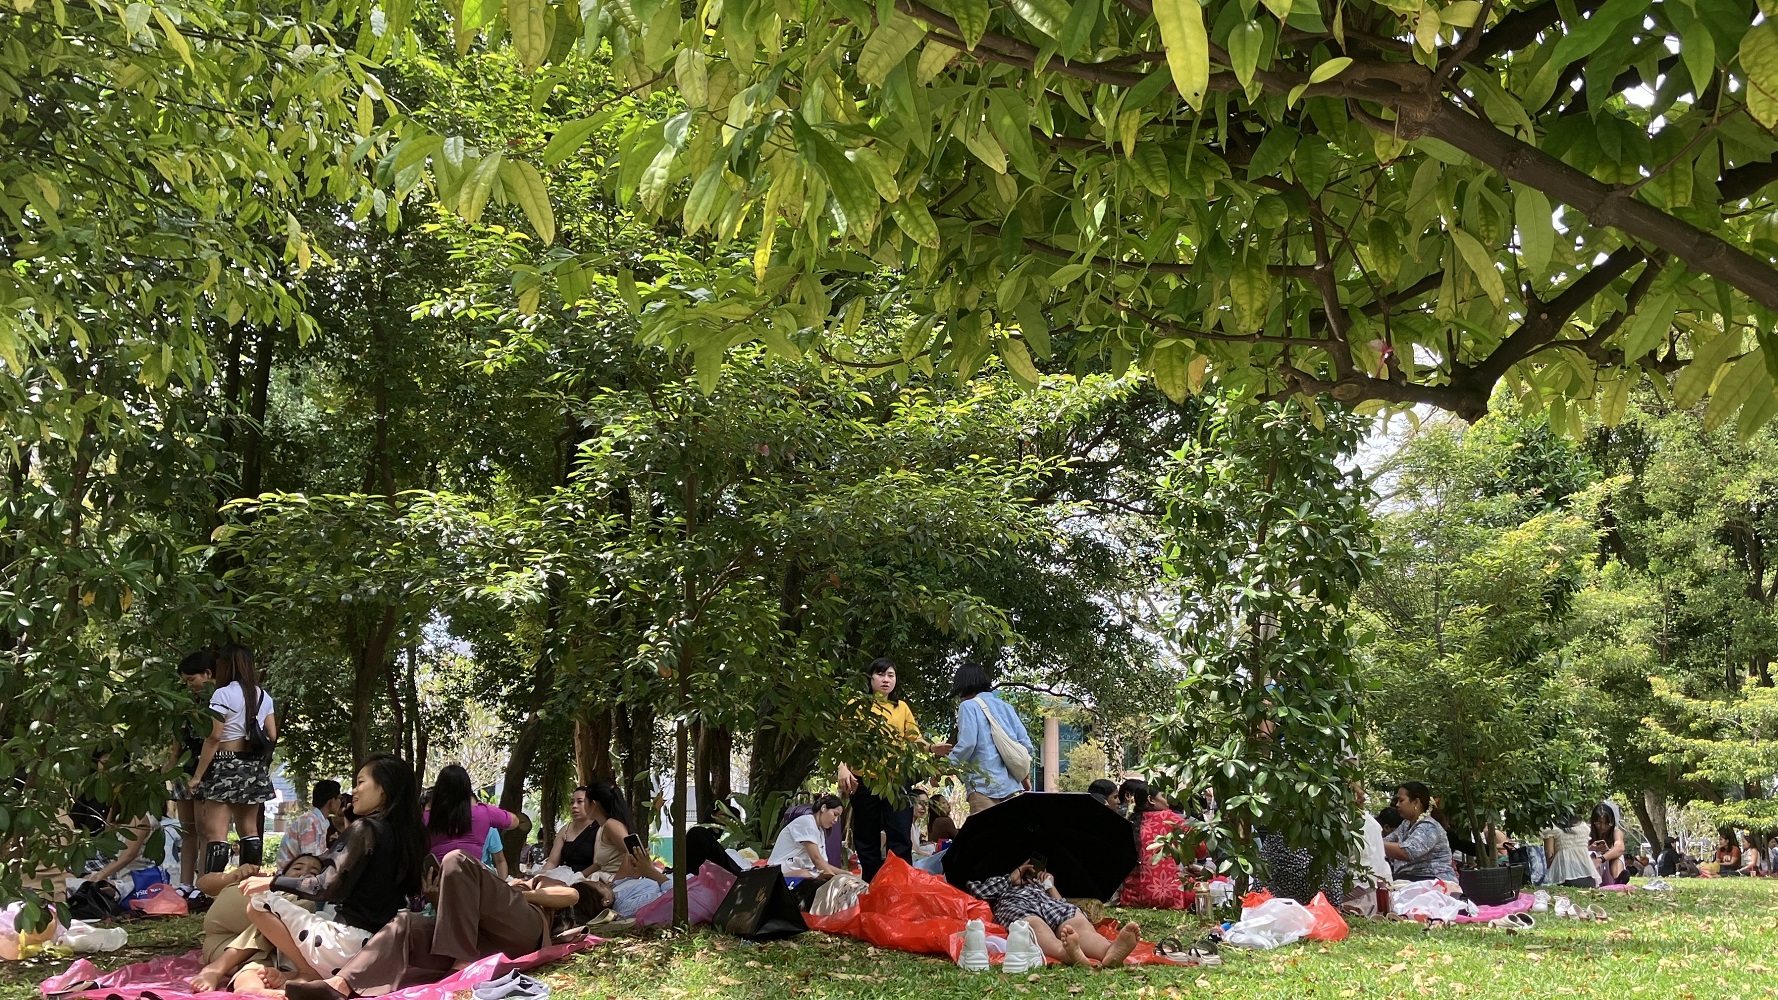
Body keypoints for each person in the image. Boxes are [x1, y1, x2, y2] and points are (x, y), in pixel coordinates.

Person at [285, 853, 611, 1000]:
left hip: (526, 931)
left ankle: (461, 968)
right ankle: (339, 986)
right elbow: (461, 921)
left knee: (456, 859)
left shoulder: (535, 880)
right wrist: (436, 897)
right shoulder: (489, 887)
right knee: (405, 923)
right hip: (481, 939)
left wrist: (516, 891)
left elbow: (569, 896)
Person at [239, 752, 426, 982]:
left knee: (259, 903)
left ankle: (307, 972)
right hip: (383, 949)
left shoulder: (365, 828)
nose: (354, 791)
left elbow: (325, 886)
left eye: (360, 782)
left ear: (383, 789)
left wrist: (272, 882)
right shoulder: (408, 838)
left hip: (347, 946)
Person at [836, 658, 947, 881]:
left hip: (896, 782)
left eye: (891, 675)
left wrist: (932, 748)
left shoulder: (901, 708)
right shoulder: (857, 704)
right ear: (870, 678)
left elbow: (915, 739)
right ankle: (871, 883)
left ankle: (899, 884)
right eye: (880, 674)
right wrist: (842, 767)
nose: (886, 680)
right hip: (864, 780)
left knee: (899, 835)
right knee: (866, 837)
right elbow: (843, 739)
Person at [189, 644, 277, 872]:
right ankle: (249, 884)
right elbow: (272, 735)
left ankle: (215, 886)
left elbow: (214, 737)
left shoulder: (222, 694)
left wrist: (197, 776)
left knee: (216, 833)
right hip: (253, 766)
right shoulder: (262, 696)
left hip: (225, 765)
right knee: (249, 830)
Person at [967, 859, 1141, 967]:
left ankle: (1108, 951)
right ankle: (1064, 952)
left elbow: (1060, 903)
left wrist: (1050, 886)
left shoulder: (1037, 884)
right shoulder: (998, 881)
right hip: (1017, 905)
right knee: (1034, 925)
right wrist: (1011, 878)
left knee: (1075, 919)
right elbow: (978, 892)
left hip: (1047, 903)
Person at [190, 855, 326, 993]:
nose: (304, 873)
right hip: (223, 928)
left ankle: (251, 989)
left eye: (313, 873)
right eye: (297, 868)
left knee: (258, 970)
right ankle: (216, 969)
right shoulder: (260, 882)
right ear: (282, 874)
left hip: (232, 949)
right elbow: (202, 884)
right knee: (295, 907)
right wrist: (234, 875)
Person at [946, 661, 1034, 817]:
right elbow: (1026, 745)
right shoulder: (1006, 707)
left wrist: (944, 765)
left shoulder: (968, 706)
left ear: (964, 686)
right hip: (1012, 787)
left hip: (982, 787)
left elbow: (968, 743)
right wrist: (1024, 776)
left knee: (987, 832)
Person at [172, 650, 215, 887]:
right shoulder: (185, 704)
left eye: (192, 679)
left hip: (207, 770)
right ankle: (185, 885)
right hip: (185, 768)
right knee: (187, 830)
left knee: (205, 830)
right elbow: (178, 739)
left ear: (208, 673)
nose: (189, 685)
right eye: (185, 681)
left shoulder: (219, 702)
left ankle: (203, 884)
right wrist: (171, 764)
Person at [423, 764, 519, 863]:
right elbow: (514, 822)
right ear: (467, 789)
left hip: (439, 871)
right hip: (472, 871)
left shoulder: (426, 817)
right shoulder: (484, 812)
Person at [1118, 788, 1192, 909]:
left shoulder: (1129, 822)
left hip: (1131, 898)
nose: (1167, 801)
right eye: (1163, 796)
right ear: (1151, 800)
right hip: (1166, 898)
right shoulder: (1169, 817)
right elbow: (1201, 849)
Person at [1382, 782, 1459, 884]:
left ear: (1416, 802)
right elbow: (1387, 841)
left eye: (1401, 800)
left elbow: (1408, 852)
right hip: (1411, 880)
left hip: (1435, 882)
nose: (1397, 805)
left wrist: (1375, 843)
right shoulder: (1406, 824)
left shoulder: (1429, 826)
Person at [767, 794, 846, 877]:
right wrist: (834, 880)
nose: (836, 820)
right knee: (807, 875)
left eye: (838, 817)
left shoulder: (820, 832)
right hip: (778, 871)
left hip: (797, 870)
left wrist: (846, 874)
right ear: (823, 808)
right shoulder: (807, 822)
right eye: (835, 814)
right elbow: (816, 859)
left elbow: (824, 864)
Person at [279, 780, 345, 869]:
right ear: (332, 801)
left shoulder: (317, 820)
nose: (340, 802)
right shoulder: (310, 821)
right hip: (291, 872)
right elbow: (310, 858)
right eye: (340, 798)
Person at [578, 781, 635, 877]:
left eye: (584, 801)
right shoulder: (603, 827)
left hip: (616, 881)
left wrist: (616, 882)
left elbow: (631, 852)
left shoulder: (611, 825)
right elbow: (599, 865)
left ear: (593, 804)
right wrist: (576, 877)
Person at [544, 786, 601, 875]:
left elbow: (597, 864)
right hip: (563, 875)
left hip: (586, 878)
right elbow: (552, 862)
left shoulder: (599, 828)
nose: (574, 806)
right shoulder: (565, 830)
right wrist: (540, 876)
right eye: (572, 802)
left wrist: (576, 878)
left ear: (592, 804)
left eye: (580, 802)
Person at [1542, 813, 1596, 888]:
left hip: (1565, 879)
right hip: (1589, 878)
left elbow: (1549, 859)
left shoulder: (1552, 828)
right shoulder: (1584, 827)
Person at [1589, 803, 1629, 885]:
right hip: (1592, 868)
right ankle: (1593, 883)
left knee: (1616, 856)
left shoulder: (1616, 832)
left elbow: (1620, 848)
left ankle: (1618, 881)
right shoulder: (1587, 830)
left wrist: (1604, 856)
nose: (1602, 827)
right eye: (1599, 823)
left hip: (1608, 870)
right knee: (1592, 854)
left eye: (1606, 823)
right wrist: (1591, 848)